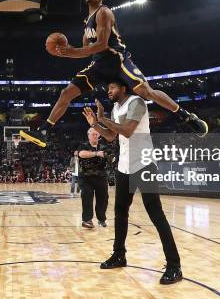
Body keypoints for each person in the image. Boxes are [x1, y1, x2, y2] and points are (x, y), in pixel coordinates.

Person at [20, 0, 208, 148]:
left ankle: (186, 116)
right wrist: (68, 50)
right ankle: (44, 131)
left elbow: (101, 44)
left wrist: (71, 52)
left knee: (146, 92)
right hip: (100, 65)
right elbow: (87, 50)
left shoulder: (104, 12)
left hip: (117, 61)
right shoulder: (87, 22)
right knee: (66, 93)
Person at [82, 79, 183, 285]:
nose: (108, 91)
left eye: (112, 88)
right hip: (125, 165)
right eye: (108, 87)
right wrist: (95, 124)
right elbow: (111, 136)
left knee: (155, 213)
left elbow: (127, 130)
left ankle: (174, 266)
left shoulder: (137, 102)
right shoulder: (116, 107)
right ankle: (119, 255)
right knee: (120, 212)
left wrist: (102, 118)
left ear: (123, 88)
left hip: (144, 163)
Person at [77, 128, 110, 228]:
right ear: (88, 136)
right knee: (87, 197)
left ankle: (101, 219)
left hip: (101, 176)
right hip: (86, 177)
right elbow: (81, 154)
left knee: (103, 198)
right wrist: (96, 154)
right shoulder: (83, 145)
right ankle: (87, 220)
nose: (95, 136)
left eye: (97, 134)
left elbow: (109, 156)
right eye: (93, 134)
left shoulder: (104, 146)